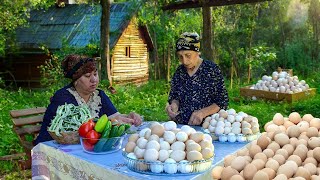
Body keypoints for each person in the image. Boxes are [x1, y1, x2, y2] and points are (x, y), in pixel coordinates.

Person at [35, 54, 142, 145]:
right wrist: (114, 122)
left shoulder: (99, 95)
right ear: (76, 80)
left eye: (95, 74)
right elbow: (78, 129)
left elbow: (114, 117)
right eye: (87, 76)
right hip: (52, 145)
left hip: (84, 146)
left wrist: (129, 117)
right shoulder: (63, 97)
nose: (94, 80)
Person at [166, 32, 229, 126]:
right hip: (182, 129)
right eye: (180, 56)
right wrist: (174, 105)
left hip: (207, 127)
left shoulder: (211, 70)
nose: (184, 61)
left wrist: (202, 113)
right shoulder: (179, 72)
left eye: (188, 55)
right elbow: (174, 97)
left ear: (197, 52)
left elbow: (222, 102)